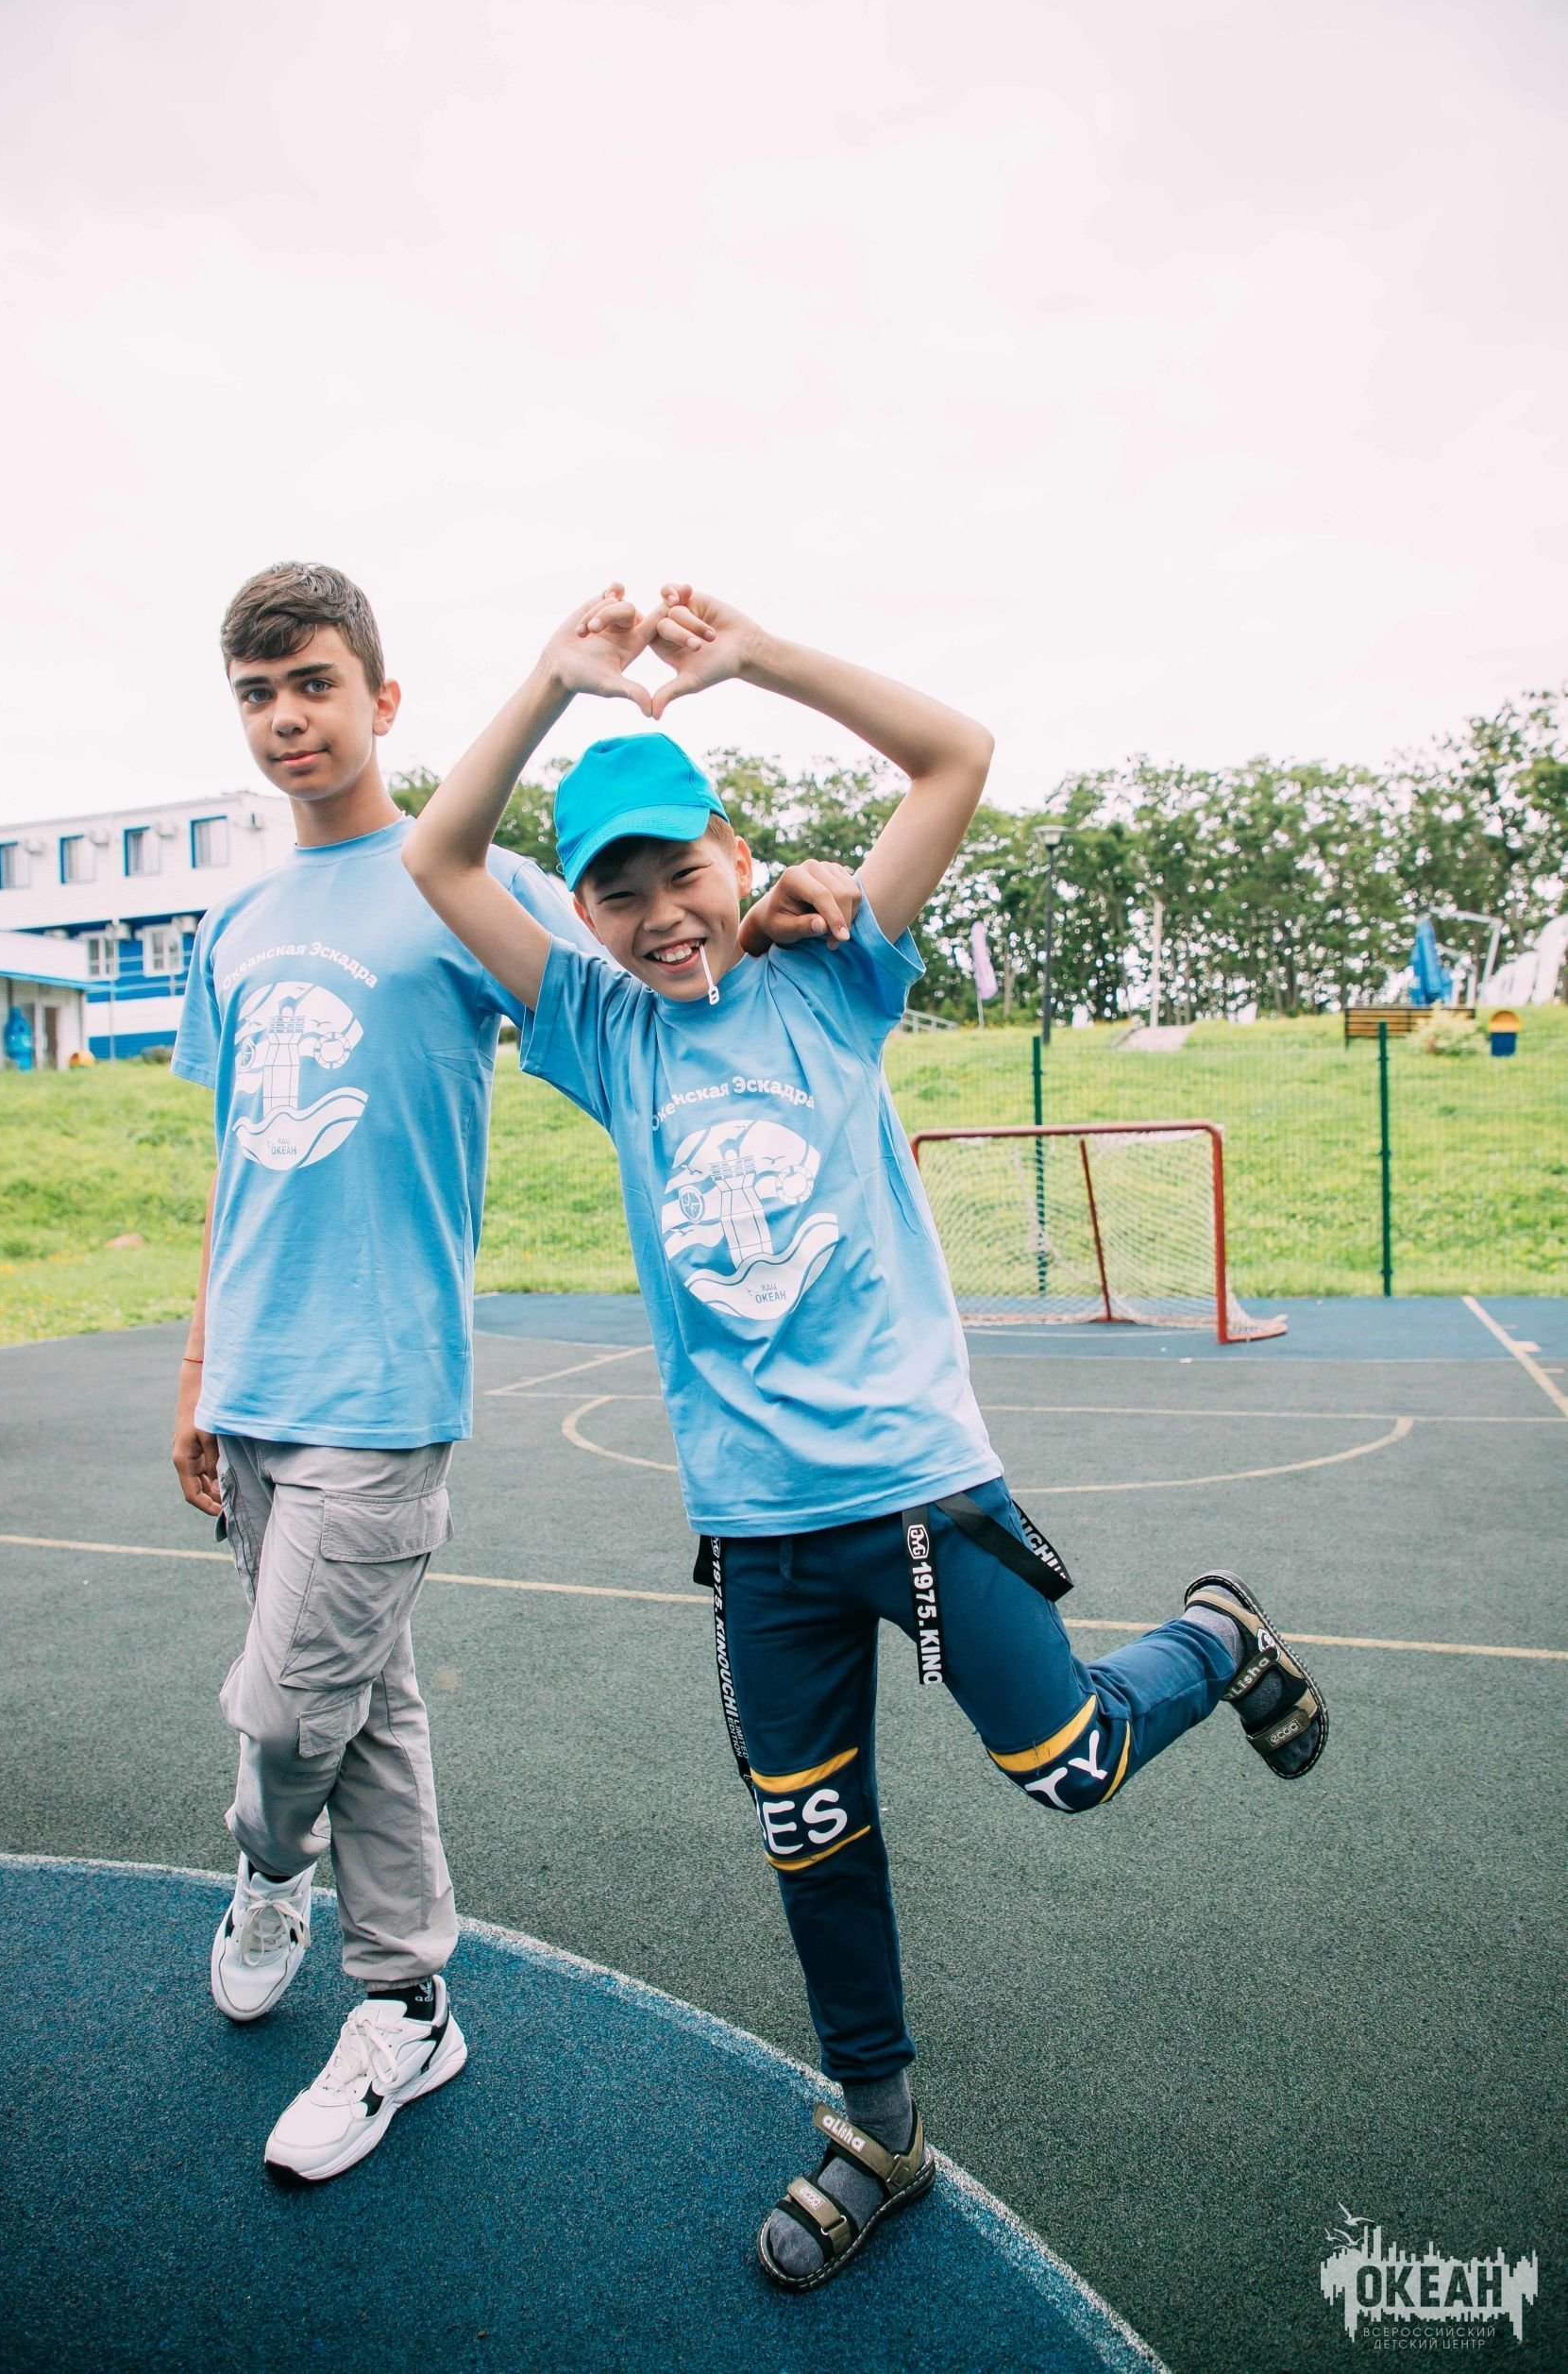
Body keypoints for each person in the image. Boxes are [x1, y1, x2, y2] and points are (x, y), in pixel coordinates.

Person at [402, 581, 1329, 2289]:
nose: (660, 913)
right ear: (586, 915)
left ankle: (1218, 1632)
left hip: (919, 1490)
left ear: (736, 853)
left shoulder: (834, 979)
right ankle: (881, 2127)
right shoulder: (601, 1033)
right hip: (759, 1537)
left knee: (1070, 1764)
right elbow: (442, 857)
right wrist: (549, 679)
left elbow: (954, 755)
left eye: (682, 869)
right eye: (617, 890)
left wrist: (752, 659)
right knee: (813, 1837)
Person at [171, 563, 860, 2183]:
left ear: (382, 698)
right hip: (252, 1382)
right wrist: (197, 1366)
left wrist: (767, 907)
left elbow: (654, 972)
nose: (286, 719)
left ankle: (269, 1863)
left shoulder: (468, 883)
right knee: (365, 1708)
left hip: (380, 1390)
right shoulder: (233, 923)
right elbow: (237, 1162)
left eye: (315, 684)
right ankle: (409, 2004)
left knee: (289, 1720)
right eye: (258, 694)